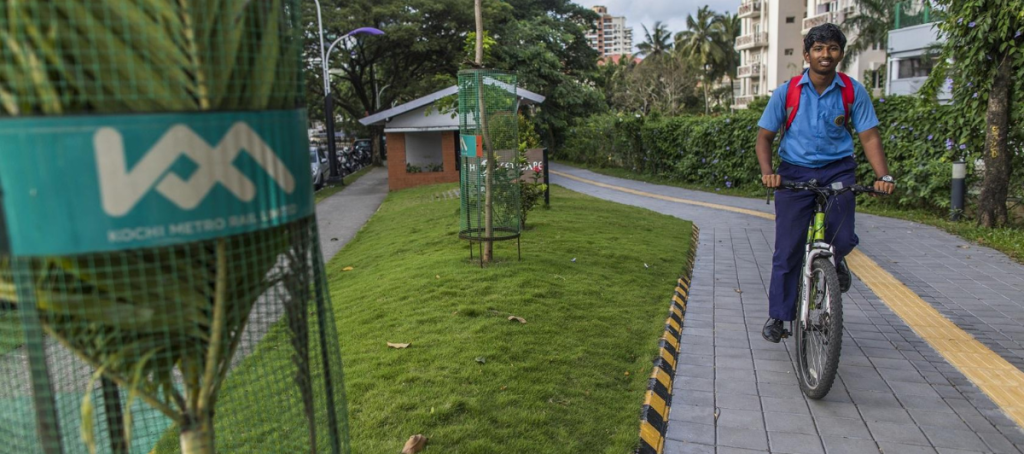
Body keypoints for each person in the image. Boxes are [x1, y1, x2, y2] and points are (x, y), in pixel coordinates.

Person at [755, 23, 896, 343]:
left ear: (841, 54)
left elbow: (869, 136)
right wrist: (768, 173)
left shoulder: (852, 91)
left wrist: (883, 176)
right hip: (793, 173)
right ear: (807, 55)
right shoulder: (787, 91)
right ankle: (779, 315)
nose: (825, 54)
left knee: (842, 237)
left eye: (832, 48)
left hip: (838, 171)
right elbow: (764, 138)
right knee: (787, 250)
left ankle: (836, 263)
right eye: (818, 49)